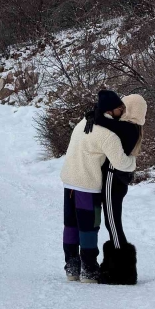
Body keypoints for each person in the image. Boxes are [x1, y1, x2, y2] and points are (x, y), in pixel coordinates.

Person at [60, 91, 136, 284]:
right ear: (111, 110)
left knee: (71, 226)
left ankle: (72, 266)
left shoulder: (82, 123)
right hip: (88, 185)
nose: (123, 111)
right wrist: (133, 159)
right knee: (88, 227)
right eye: (121, 108)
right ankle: (89, 269)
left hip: (69, 182)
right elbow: (121, 164)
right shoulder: (107, 135)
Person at [85, 94, 147, 285]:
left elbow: (103, 121)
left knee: (112, 223)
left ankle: (122, 271)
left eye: (125, 106)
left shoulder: (128, 128)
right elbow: (104, 121)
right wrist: (92, 115)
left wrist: (92, 115)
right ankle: (118, 267)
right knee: (112, 222)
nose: (122, 109)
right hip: (115, 180)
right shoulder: (131, 127)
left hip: (114, 180)